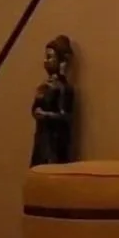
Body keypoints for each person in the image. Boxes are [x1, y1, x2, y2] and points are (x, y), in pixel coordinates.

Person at [31, 35, 76, 166]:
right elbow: (35, 108)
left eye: (50, 57)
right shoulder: (44, 86)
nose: (45, 61)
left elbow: (66, 116)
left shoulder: (64, 88)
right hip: (42, 137)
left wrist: (45, 115)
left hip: (55, 141)